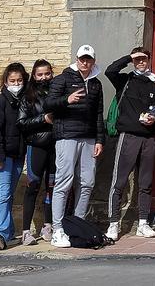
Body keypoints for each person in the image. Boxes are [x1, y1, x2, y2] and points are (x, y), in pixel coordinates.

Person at [104, 47, 155, 240]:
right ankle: (113, 223)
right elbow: (110, 70)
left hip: (149, 138)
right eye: (138, 59)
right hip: (129, 137)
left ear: (149, 61)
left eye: (144, 59)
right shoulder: (125, 81)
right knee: (119, 182)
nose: (141, 62)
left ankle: (143, 222)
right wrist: (129, 57)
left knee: (146, 183)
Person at [46, 45, 106, 249]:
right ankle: (58, 229)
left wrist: (100, 140)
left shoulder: (96, 84)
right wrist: (67, 99)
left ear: (93, 61)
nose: (85, 63)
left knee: (87, 182)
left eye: (88, 59)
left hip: (89, 138)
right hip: (67, 136)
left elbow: (99, 114)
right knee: (64, 182)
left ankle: (76, 225)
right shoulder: (62, 79)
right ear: (77, 59)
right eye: (82, 59)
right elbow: (48, 104)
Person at [0, 62, 29, 250]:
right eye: (12, 80)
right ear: (5, 81)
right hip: (3, 157)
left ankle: (8, 233)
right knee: (3, 194)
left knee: (9, 194)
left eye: (19, 80)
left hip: (18, 155)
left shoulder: (24, 101)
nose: (16, 83)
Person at [17, 59, 56, 245]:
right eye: (39, 74)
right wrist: (43, 119)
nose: (43, 77)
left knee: (52, 187)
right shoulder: (28, 96)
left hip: (56, 145)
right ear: (34, 76)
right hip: (37, 145)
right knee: (33, 186)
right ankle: (26, 231)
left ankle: (48, 225)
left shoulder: (57, 91)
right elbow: (22, 123)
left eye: (47, 74)